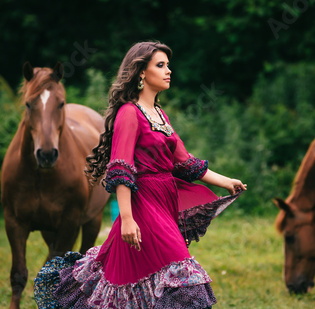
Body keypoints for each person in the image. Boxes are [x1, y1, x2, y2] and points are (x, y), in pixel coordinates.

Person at [34, 41, 247, 308]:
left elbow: (185, 162)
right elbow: (121, 168)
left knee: (151, 279)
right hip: (143, 206)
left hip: (165, 205)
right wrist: (126, 219)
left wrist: (226, 181)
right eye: (161, 65)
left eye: (168, 65)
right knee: (185, 281)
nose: (169, 71)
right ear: (142, 73)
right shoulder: (129, 113)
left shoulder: (159, 114)